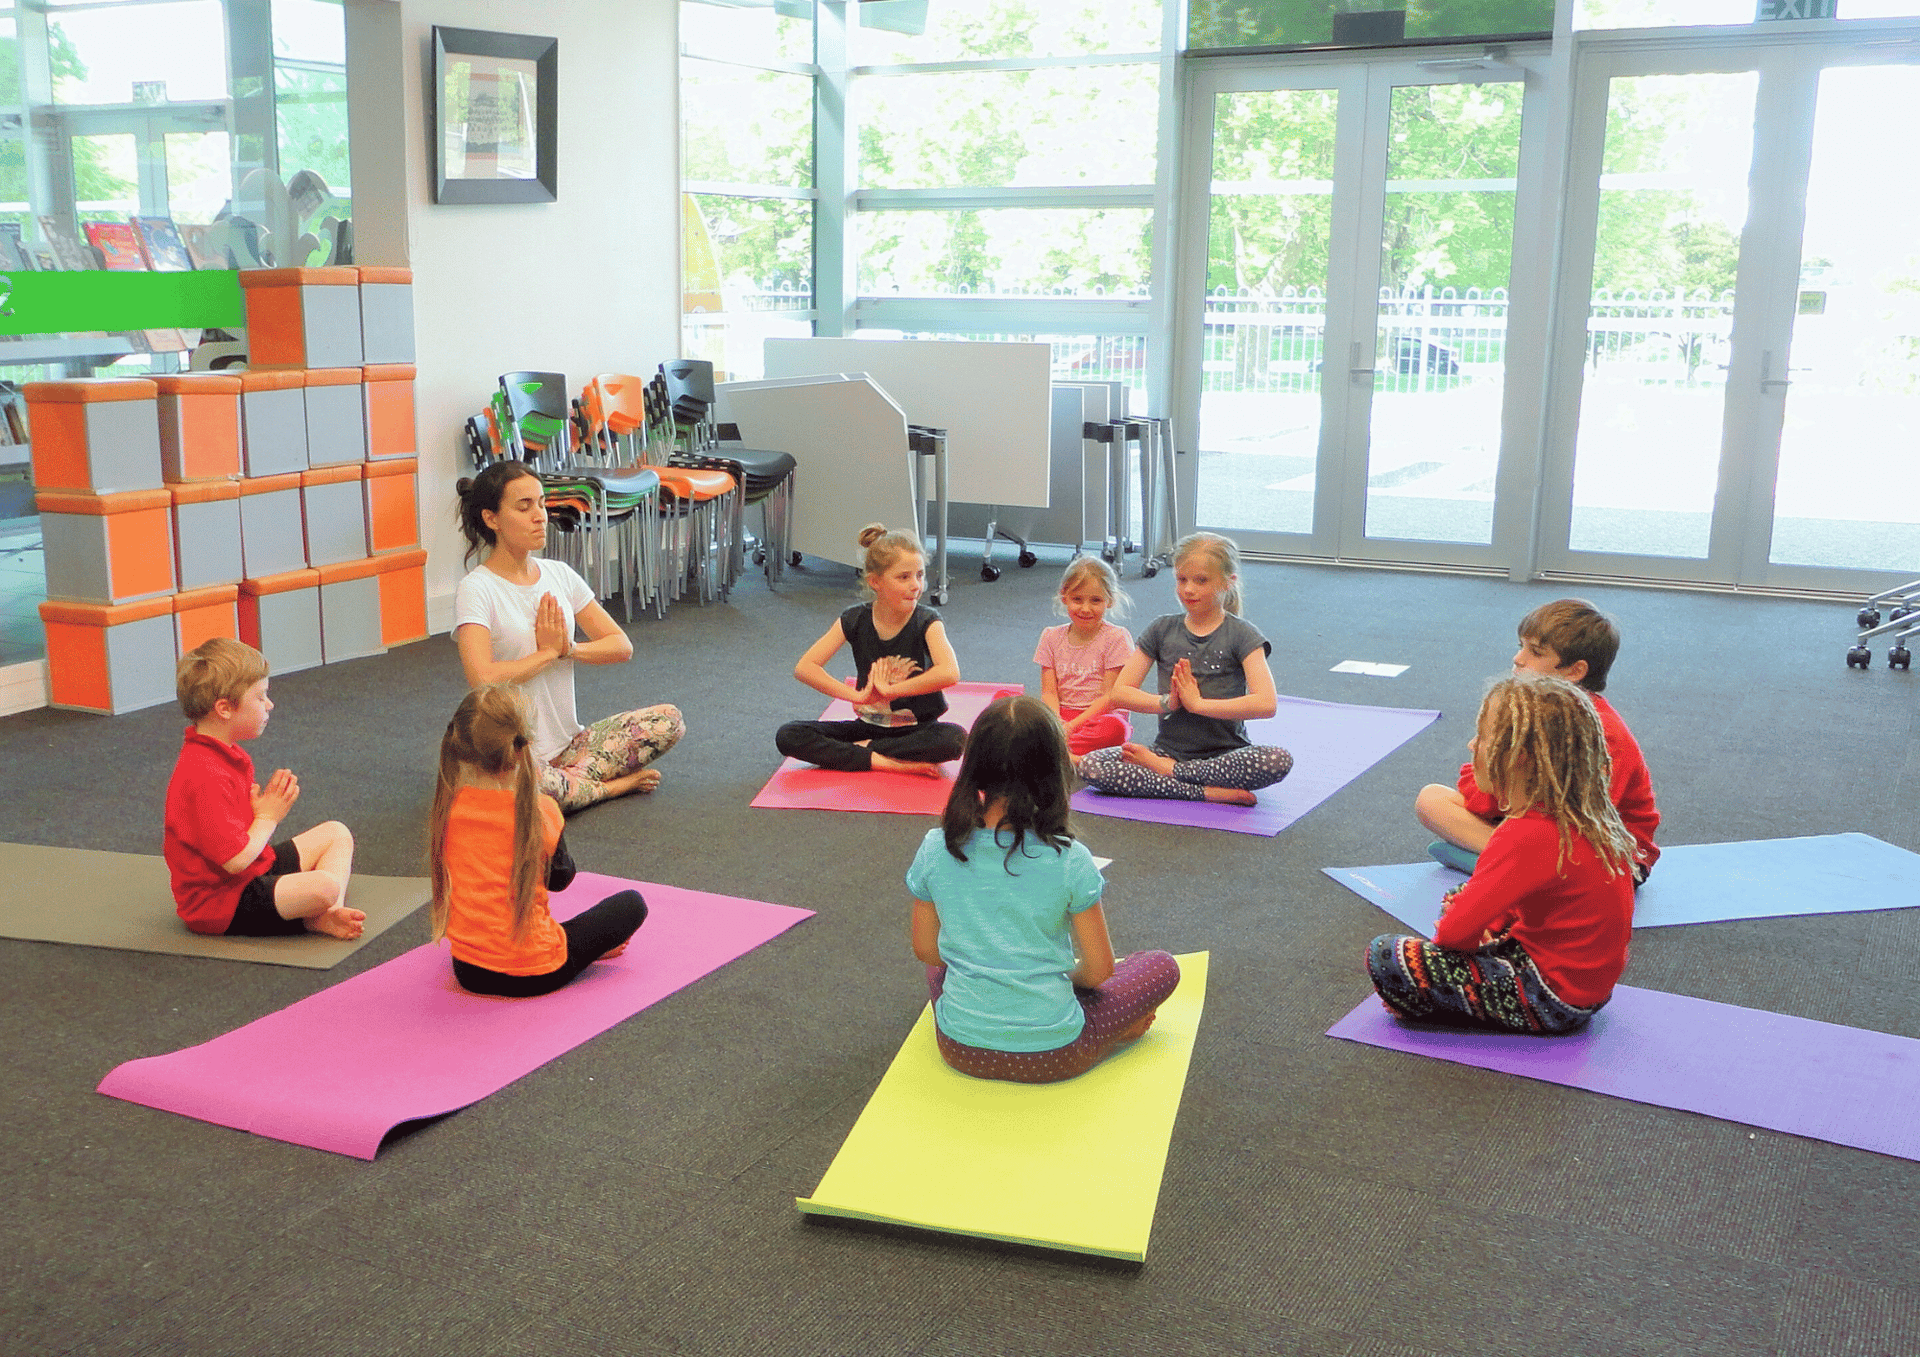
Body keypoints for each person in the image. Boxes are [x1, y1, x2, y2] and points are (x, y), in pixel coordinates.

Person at [908, 694, 1181, 1082]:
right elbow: (1100, 970)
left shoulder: (937, 846)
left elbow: (927, 951)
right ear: (1055, 770)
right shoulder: (1071, 858)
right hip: (1055, 1054)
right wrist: (1051, 976)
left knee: (942, 971)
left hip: (959, 1048)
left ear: (975, 766)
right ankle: (1110, 1034)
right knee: (1160, 966)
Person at [1368, 674, 1637, 1034]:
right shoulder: (1587, 813)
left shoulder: (1525, 833)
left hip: (1551, 999)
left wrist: (1465, 950)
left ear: (1517, 759)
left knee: (1387, 955)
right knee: (1461, 898)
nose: (1471, 744)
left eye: (1482, 739)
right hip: (1588, 990)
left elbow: (1451, 936)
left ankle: (1433, 1003)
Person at [453, 460, 685, 814]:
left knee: (669, 720)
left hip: (569, 747)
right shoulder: (477, 588)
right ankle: (608, 789)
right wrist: (547, 654)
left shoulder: (559, 574)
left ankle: (572, 788)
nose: (540, 516)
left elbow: (620, 645)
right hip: (516, 754)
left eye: (542, 503)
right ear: (491, 519)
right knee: (528, 782)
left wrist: (569, 649)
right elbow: (481, 678)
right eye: (524, 506)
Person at [1414, 598, 1660, 880]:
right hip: (1531, 823)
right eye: (1521, 647)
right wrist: (1499, 795)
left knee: (1548, 842)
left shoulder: (1603, 734)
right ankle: (1507, 862)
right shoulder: (1522, 710)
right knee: (1431, 799)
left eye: (1536, 652)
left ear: (1574, 671)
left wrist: (1503, 798)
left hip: (1600, 853)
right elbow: (1483, 778)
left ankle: (1502, 863)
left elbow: (1582, 822)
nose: (1518, 659)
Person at [429, 685, 647, 998]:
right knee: (631, 903)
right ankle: (585, 951)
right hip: (537, 971)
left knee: (555, 926)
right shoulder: (542, 811)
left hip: (468, 969)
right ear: (524, 747)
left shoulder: (449, 806)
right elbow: (560, 879)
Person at [163, 638, 362, 939]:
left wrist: (256, 813)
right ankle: (315, 913)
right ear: (224, 709)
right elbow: (234, 861)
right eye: (260, 697)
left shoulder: (225, 754)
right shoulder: (203, 774)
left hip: (251, 871)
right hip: (219, 902)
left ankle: (325, 913)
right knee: (325, 886)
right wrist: (268, 817)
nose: (270, 704)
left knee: (337, 833)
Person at [1077, 532, 1292, 805]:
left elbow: (1266, 703)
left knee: (1276, 760)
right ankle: (1204, 791)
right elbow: (1121, 693)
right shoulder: (1161, 629)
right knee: (1091, 766)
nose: (1188, 589)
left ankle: (1173, 775)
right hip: (1167, 752)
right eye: (1182, 579)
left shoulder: (1242, 634)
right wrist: (1168, 702)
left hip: (1226, 757)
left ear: (1229, 581)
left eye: (1201, 581)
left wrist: (1198, 704)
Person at [775, 523, 964, 776]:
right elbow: (805, 668)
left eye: (920, 575)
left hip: (919, 729)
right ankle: (883, 760)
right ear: (875, 582)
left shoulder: (927, 621)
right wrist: (857, 696)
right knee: (788, 735)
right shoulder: (853, 619)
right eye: (903, 577)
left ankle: (865, 751)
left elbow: (950, 673)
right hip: (868, 725)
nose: (916, 585)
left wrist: (891, 691)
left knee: (954, 740)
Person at [1033, 556, 1133, 763]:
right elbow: (1049, 692)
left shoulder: (1117, 637)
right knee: (1008, 704)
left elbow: (1109, 698)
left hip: (1099, 716)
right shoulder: (1050, 636)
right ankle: (1065, 754)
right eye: (1077, 599)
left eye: (1095, 600)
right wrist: (1057, 723)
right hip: (1061, 714)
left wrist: (1070, 728)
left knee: (1115, 729)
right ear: (1064, 598)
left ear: (1109, 601)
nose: (1085, 609)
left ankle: (1050, 753)